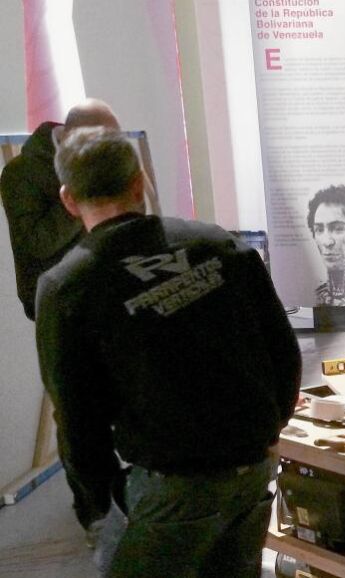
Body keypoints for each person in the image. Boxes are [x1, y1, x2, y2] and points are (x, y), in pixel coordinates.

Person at [36, 127, 301, 577]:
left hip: (169, 489)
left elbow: (77, 418)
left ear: (68, 199)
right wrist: (267, 429)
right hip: (252, 470)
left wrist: (98, 507)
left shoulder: (68, 286)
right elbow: (283, 350)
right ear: (139, 182)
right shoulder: (217, 244)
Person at [1, 99, 120, 320]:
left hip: (99, 285)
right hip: (54, 298)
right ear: (73, 136)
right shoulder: (19, 173)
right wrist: (81, 195)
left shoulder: (96, 164)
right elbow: (36, 243)